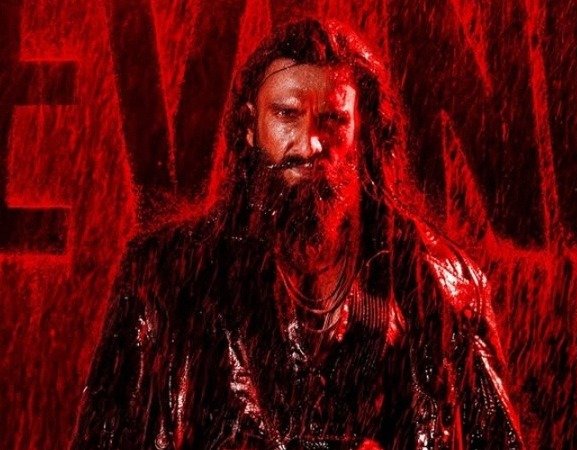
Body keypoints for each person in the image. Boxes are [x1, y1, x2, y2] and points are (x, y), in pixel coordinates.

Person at [72, 18, 524, 449]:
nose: (311, 144)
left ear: (362, 132)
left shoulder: (444, 285)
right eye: (287, 115)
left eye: (333, 120)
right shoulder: (165, 277)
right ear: (250, 127)